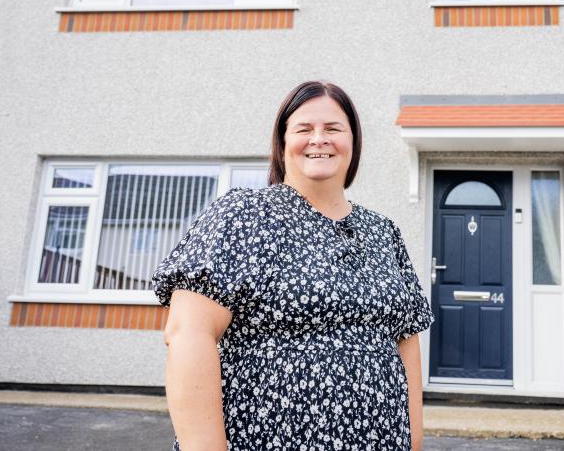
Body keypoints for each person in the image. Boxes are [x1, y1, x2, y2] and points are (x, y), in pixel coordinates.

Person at [151, 80, 434, 450]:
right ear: (283, 143)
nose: (319, 139)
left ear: (354, 142)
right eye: (304, 129)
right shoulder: (244, 216)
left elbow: (406, 344)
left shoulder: (384, 232)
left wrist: (414, 444)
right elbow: (188, 334)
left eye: (333, 129)